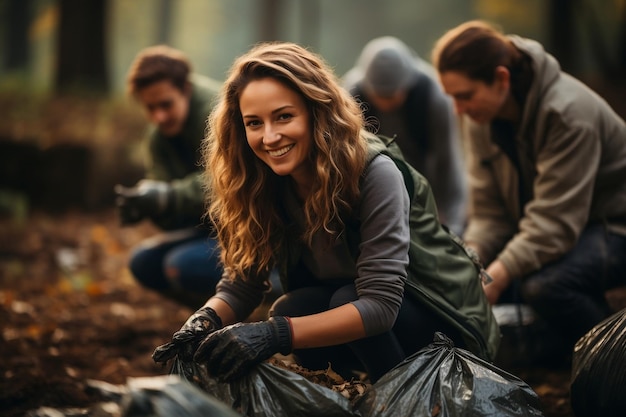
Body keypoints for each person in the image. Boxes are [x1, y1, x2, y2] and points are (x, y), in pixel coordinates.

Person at [152, 41, 499, 384]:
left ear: (316, 112)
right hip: (367, 315)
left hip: (446, 324)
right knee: (293, 307)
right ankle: (351, 395)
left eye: (284, 116)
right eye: (254, 123)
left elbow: (378, 307)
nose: (269, 137)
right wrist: (202, 323)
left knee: (338, 302)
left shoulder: (374, 172)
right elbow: (243, 285)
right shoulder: (264, 179)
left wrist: (273, 335)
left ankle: (403, 402)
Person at [431, 20, 626, 358]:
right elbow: (489, 213)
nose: (458, 110)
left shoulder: (568, 114)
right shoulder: (482, 116)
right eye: (451, 98)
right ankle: (564, 347)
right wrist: (472, 264)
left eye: (464, 96)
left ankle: (610, 361)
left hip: (613, 226)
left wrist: (493, 280)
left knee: (544, 286)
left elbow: (554, 224)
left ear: (501, 79)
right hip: (564, 229)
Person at [114, 45, 223, 309]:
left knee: (181, 265)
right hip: (211, 232)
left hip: (257, 232)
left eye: (166, 104)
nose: (158, 116)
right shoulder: (157, 138)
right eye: (150, 108)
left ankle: (265, 288)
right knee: (143, 263)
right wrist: (150, 205)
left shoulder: (221, 114)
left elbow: (231, 179)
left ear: (185, 89)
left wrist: (169, 196)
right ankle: (207, 317)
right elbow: (175, 220)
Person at [342, 36, 467, 235]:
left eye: (392, 96)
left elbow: (447, 163)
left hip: (423, 185)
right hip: (373, 185)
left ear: (407, 84)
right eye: (379, 96)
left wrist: (455, 229)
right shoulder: (352, 95)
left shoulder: (434, 96)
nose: (386, 104)